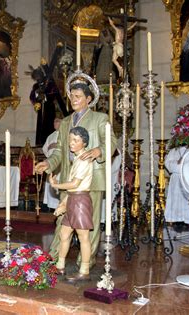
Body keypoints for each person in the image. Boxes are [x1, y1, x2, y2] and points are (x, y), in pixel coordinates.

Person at [35, 82, 117, 269]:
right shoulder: (65, 122)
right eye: (71, 96)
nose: (73, 99)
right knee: (63, 219)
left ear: (88, 99)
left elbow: (111, 142)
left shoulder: (100, 118)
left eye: (78, 96)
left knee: (90, 224)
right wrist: (48, 163)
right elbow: (60, 152)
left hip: (92, 178)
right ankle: (55, 256)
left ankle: (85, 262)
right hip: (68, 179)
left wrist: (98, 151)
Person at [50, 126, 93, 282]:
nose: (71, 143)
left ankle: (84, 270)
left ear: (84, 143)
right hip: (73, 199)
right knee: (64, 234)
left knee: (83, 237)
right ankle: (60, 266)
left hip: (81, 201)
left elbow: (74, 184)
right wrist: (64, 203)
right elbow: (71, 190)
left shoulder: (84, 160)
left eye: (76, 140)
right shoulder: (76, 159)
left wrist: (56, 185)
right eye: (70, 140)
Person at [165, 146, 189, 231]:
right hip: (176, 180)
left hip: (187, 178)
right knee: (176, 201)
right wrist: (180, 165)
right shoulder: (174, 151)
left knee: (186, 201)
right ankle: (177, 221)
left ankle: (188, 221)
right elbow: (168, 165)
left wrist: (180, 165)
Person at [42, 118, 62, 210]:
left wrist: (56, 146)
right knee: (51, 186)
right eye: (54, 121)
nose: (55, 123)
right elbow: (44, 149)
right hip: (51, 165)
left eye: (57, 121)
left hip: (60, 165)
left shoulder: (65, 133)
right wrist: (49, 152)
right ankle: (52, 208)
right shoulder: (50, 136)